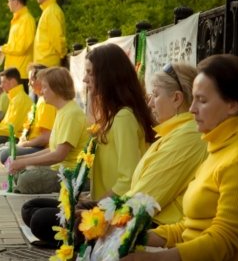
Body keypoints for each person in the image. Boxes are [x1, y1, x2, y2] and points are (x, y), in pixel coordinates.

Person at [122, 54, 238, 261]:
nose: (192, 109)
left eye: (202, 100)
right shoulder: (218, 148)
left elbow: (223, 240)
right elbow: (193, 226)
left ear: (232, 105)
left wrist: (157, 258)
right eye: (194, 98)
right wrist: (137, 236)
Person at [20, 44, 156, 244]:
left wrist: (94, 205)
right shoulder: (111, 115)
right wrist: (86, 198)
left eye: (91, 74)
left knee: (40, 220)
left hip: (115, 210)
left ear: (108, 76)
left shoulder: (124, 117)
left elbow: (127, 181)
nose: (84, 79)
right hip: (100, 200)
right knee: (30, 208)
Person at [8, 67, 89, 194]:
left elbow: (58, 155)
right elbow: (53, 149)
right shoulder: (62, 110)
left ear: (57, 89)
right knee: (20, 174)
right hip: (61, 169)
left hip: (73, 174)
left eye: (45, 87)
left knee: (25, 179)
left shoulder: (72, 113)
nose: (41, 91)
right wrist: (21, 159)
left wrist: (24, 162)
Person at [0, 63, 57, 164]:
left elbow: (46, 138)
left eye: (31, 80)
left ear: (41, 80)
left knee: (4, 154)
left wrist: (25, 144)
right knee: (1, 148)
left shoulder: (47, 103)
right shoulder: (40, 100)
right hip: (31, 143)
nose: (28, 84)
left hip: (41, 148)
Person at [0, 0, 35, 93]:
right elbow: (14, 46)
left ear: (16, 2)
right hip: (13, 72)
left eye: (9, 0)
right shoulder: (17, 20)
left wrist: (1, 49)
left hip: (20, 73)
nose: (8, 4)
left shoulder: (27, 20)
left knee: (21, 107)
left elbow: (21, 47)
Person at [33, 0, 67, 67]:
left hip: (47, 63)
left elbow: (57, 37)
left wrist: (63, 55)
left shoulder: (51, 11)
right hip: (44, 62)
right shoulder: (48, 11)